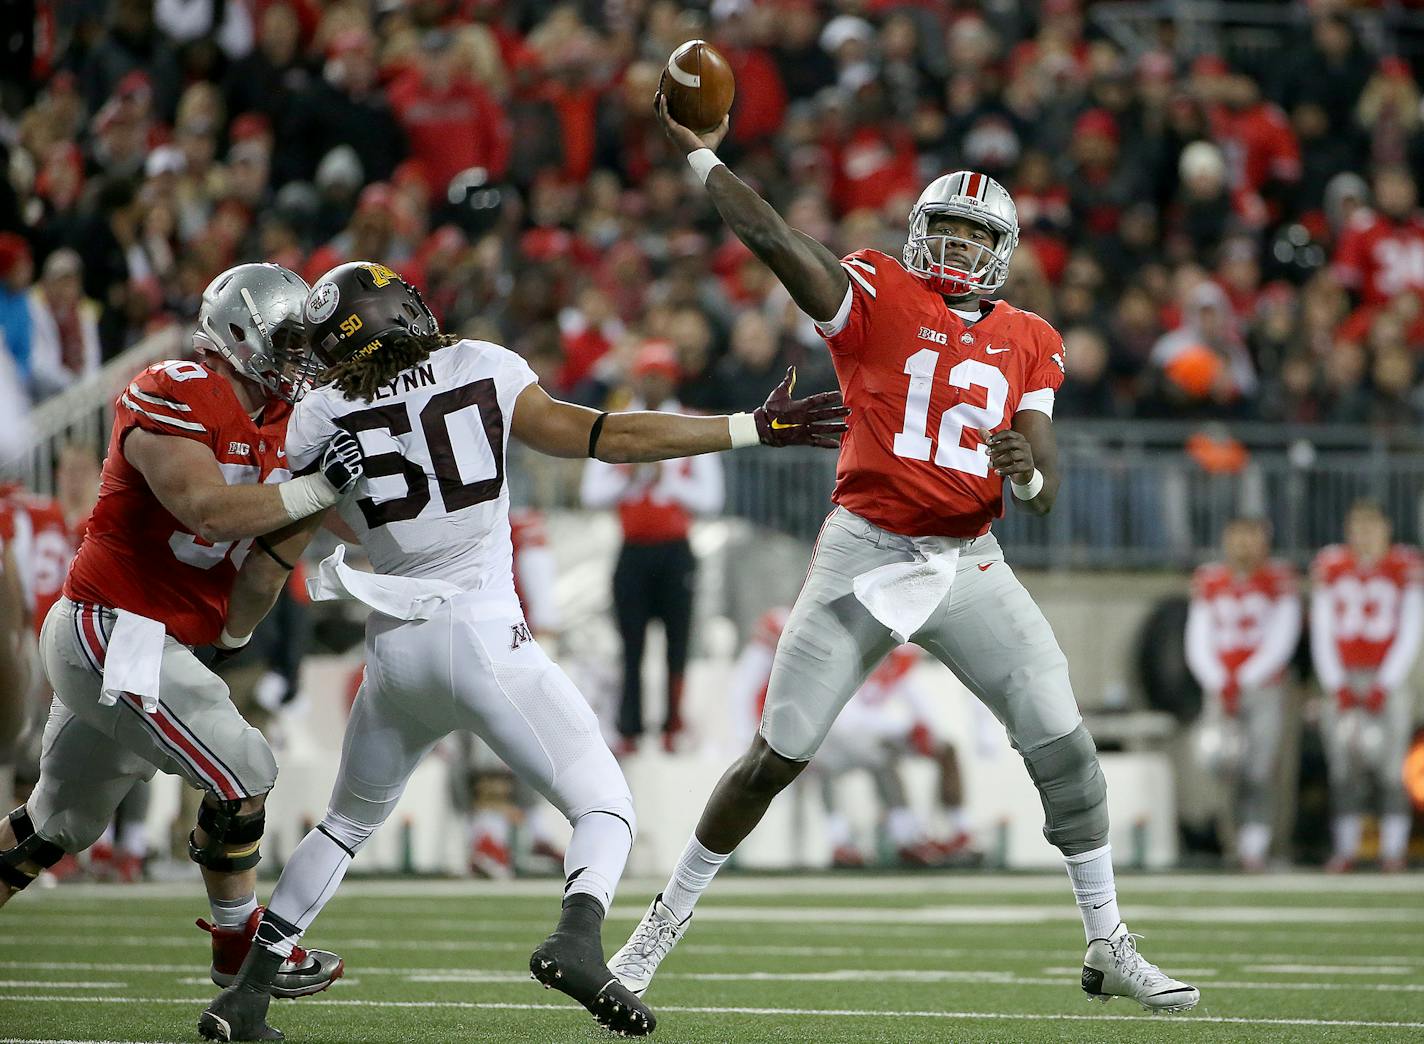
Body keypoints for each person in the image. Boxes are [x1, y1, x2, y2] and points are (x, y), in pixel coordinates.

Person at [609, 96, 1199, 1015]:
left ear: (1000, 252)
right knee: (775, 757)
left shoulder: (1031, 340)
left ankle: (1108, 942)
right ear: (923, 233)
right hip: (864, 551)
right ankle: (650, 940)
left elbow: (1045, 489)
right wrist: (703, 159)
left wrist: (1026, 475)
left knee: (1068, 748)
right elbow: (773, 239)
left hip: (968, 560)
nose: (959, 250)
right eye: (948, 232)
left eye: (976, 238)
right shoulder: (876, 290)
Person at [197, 260, 846, 1042]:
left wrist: (230, 631)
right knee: (604, 805)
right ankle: (577, 939)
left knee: (342, 826)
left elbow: (308, 520)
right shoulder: (481, 364)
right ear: (404, 312)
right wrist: (750, 426)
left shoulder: (319, 413)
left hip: (397, 647)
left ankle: (247, 995)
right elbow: (610, 437)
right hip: (482, 634)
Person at [0, 263, 362, 1004]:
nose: (302, 357)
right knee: (246, 768)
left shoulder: (292, 425)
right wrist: (318, 488)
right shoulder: (176, 387)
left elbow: (244, 604)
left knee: (55, 823)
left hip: (161, 640)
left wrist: (293, 542)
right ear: (237, 333)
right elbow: (206, 511)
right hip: (111, 627)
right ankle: (241, 952)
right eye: (289, 339)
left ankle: (237, 952)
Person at [730, 608, 976, 868]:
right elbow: (843, 711)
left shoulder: (897, 637)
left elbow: (908, 693)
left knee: (942, 748)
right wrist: (746, 735)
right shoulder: (823, 631)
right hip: (807, 729)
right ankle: (857, 839)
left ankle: (956, 831)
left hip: (853, 730)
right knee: (867, 757)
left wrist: (924, 727)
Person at [580, 341, 725, 755]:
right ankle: (630, 727)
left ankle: (672, 726)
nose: (654, 383)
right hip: (633, 548)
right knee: (631, 642)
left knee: (677, 641)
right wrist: (631, 480)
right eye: (648, 375)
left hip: (676, 547)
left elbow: (712, 498)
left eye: (661, 375)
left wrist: (667, 480)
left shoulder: (692, 423)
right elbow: (592, 493)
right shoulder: (618, 423)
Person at [1310, 501, 1421, 872]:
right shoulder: (1331, 564)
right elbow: (1322, 628)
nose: (1365, 535)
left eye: (1372, 527)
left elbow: (1411, 629)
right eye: (1358, 527)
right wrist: (1335, 682)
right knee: (1344, 766)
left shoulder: (1405, 565)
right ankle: (1346, 850)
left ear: (1387, 529)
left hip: (1387, 676)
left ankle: (1392, 850)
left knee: (1392, 768)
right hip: (1344, 674)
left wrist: (1385, 683)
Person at [1185, 518, 1301, 870]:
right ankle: (1232, 844)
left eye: (1251, 538)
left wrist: (1245, 677)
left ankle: (1257, 847)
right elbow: (1198, 634)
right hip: (1221, 686)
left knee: (1260, 769)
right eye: (1237, 537)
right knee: (1223, 769)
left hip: (1264, 686)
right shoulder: (1209, 578)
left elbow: (1284, 635)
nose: (1244, 546)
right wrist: (1218, 679)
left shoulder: (1278, 579)